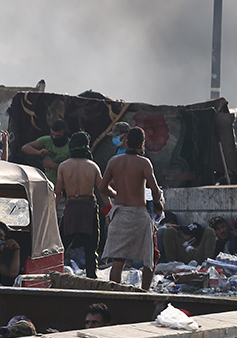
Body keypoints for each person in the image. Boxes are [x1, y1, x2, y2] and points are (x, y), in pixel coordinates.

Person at [100, 127, 162, 290]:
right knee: (148, 258)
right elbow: (155, 190)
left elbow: (102, 187)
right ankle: (144, 293)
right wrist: (157, 204)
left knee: (118, 261)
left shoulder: (114, 161)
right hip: (138, 215)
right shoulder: (144, 163)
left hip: (119, 213)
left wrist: (116, 193)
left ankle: (115, 294)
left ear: (126, 142)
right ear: (142, 144)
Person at [56, 132, 111, 278]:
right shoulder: (92, 166)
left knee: (62, 244)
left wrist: (52, 210)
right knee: (91, 247)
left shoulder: (63, 166)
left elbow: (58, 192)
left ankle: (56, 274)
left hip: (71, 208)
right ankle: (91, 277)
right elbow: (103, 190)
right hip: (88, 208)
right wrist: (109, 209)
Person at [21, 119, 72, 185]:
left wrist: (54, 165)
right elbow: (25, 148)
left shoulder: (71, 146)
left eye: (58, 136)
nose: (54, 138)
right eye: (52, 134)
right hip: (48, 184)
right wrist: (38, 152)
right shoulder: (47, 140)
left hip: (65, 185)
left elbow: (73, 170)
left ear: (64, 134)